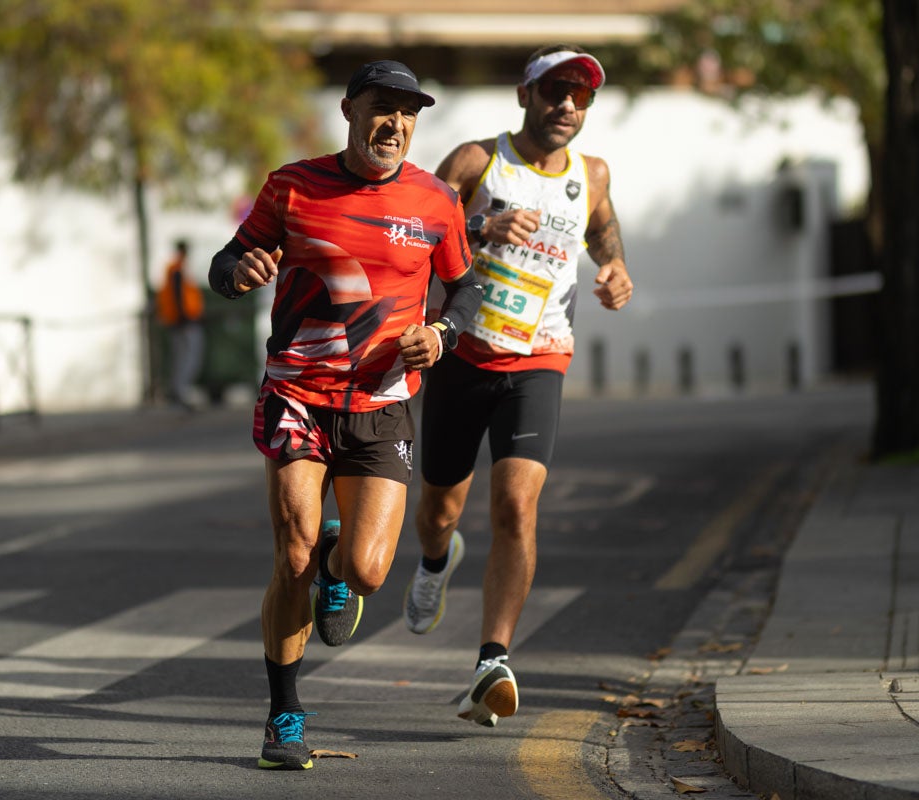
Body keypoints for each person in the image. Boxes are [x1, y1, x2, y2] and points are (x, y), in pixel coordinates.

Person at [207, 60, 483, 770]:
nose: (395, 123)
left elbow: (466, 290)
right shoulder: (292, 186)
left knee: (365, 572)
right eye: (381, 106)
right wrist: (239, 273)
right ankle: (284, 716)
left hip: (381, 404)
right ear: (349, 110)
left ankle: (339, 563)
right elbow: (226, 261)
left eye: (408, 112)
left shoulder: (436, 202)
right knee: (291, 555)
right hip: (297, 394)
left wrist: (443, 334)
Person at [403, 44, 635, 727]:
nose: (567, 105)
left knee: (516, 506)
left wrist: (616, 268)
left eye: (580, 95)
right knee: (438, 511)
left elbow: (603, 230)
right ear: (524, 94)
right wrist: (481, 226)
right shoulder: (477, 162)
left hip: (540, 358)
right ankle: (436, 560)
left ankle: (492, 661)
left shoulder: (592, 173)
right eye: (555, 90)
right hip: (461, 353)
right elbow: (412, 236)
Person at [154, 239, 205, 409]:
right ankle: (181, 391)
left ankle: (178, 390)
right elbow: (178, 295)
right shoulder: (177, 268)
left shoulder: (176, 267)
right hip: (184, 320)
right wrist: (183, 317)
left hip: (179, 319)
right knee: (188, 356)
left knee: (180, 356)